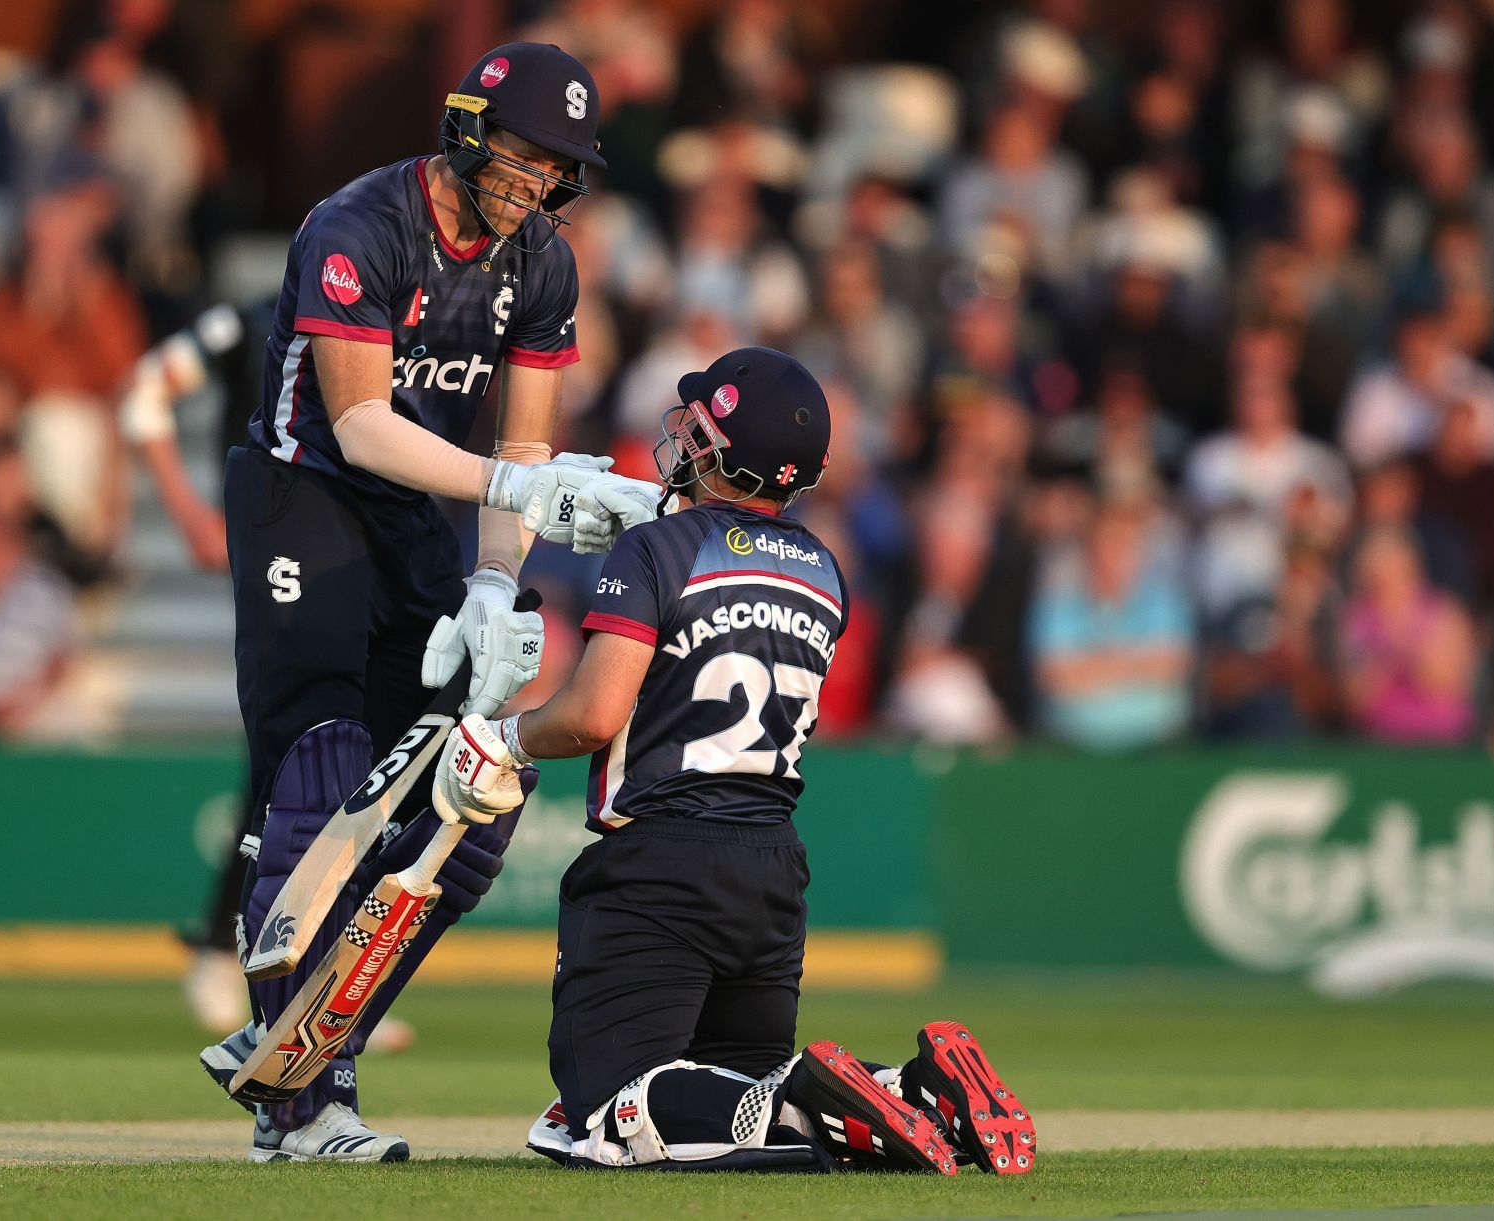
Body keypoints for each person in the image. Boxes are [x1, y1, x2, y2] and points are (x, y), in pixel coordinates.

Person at [197, 44, 659, 1163]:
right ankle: (300, 1101)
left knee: (472, 795)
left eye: (556, 163)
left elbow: (525, 441)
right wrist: (510, 492)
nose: (533, 178)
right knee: (321, 760)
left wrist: (500, 575)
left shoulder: (545, 264)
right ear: (472, 129)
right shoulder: (358, 225)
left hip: (421, 513)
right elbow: (357, 424)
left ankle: (310, 1038)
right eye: (521, 150)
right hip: (305, 490)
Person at [431, 348, 1035, 1175]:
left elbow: (596, 713)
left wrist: (507, 738)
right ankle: (915, 1086)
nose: (684, 439)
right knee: (739, 1085)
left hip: (663, 860)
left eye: (702, 427)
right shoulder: (827, 569)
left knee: (605, 1111)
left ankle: (822, 1098)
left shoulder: (655, 549)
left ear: (724, 449)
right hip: (773, 869)